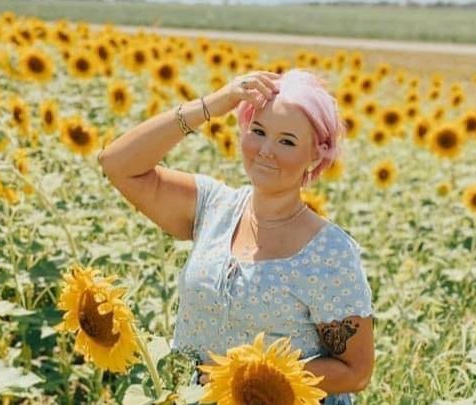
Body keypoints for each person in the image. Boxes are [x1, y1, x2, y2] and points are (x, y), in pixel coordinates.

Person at [98, 69, 374, 405]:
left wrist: (248, 378)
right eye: (258, 131)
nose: (266, 150)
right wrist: (214, 103)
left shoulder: (328, 253)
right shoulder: (213, 207)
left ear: (315, 155)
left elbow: (356, 371)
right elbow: (117, 163)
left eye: (287, 141)